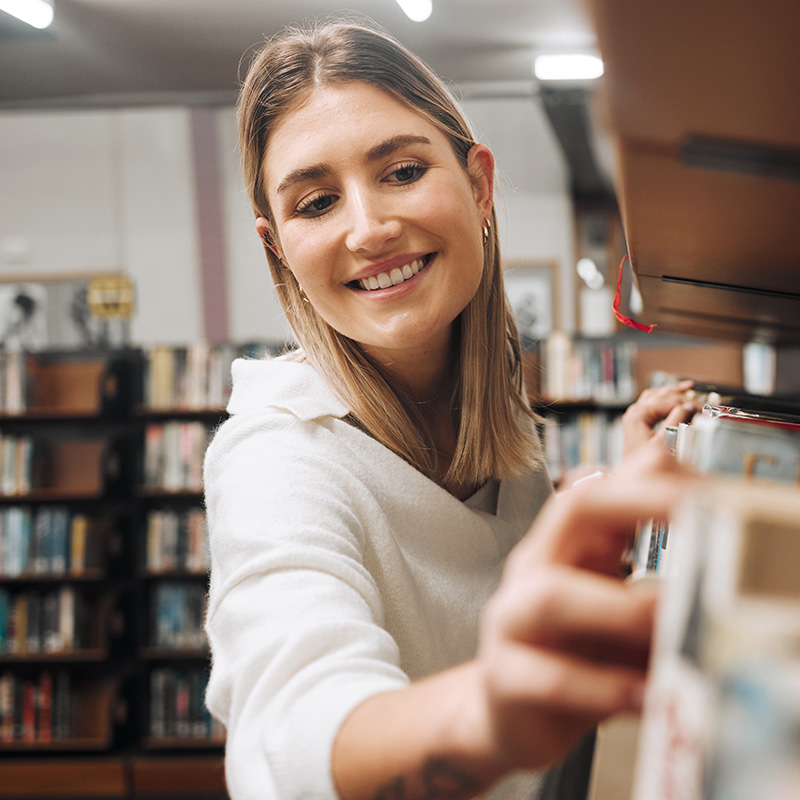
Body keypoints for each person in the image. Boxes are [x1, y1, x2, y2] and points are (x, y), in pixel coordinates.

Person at [202, 18, 697, 800]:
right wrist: (487, 717)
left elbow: (493, 592)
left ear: (478, 185)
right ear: (279, 251)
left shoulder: (496, 409)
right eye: (318, 202)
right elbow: (294, 729)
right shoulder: (275, 454)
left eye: (400, 172)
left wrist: (612, 513)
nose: (369, 229)